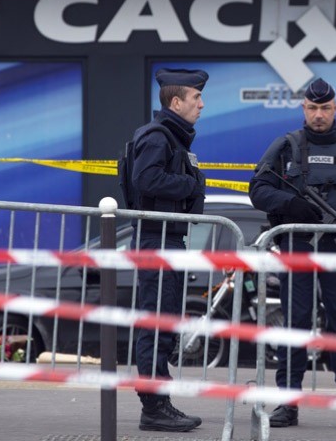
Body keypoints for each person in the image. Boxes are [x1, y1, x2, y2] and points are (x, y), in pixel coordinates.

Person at [248, 78, 336, 430]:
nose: (318, 114)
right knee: (295, 324)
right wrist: (292, 204)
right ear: (304, 109)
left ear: (335, 109)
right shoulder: (286, 147)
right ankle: (288, 404)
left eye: (325, 108)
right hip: (298, 248)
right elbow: (259, 188)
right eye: (312, 108)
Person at [129, 68, 208, 432]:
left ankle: (161, 402)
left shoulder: (173, 139)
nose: (201, 105)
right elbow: (145, 179)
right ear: (176, 102)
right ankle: (153, 408)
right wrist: (190, 185)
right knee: (156, 324)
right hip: (156, 241)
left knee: (165, 324)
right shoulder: (159, 137)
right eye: (196, 98)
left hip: (168, 240)